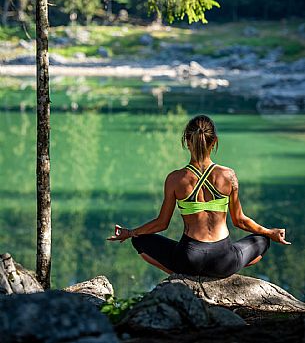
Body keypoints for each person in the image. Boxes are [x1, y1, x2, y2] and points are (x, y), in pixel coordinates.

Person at [107, 114, 291, 277]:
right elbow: (240, 221)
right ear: (214, 142)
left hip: (188, 258)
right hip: (224, 260)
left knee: (140, 239)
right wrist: (270, 232)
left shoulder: (175, 179)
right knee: (262, 240)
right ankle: (227, 272)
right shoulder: (229, 176)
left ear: (187, 142)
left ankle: (180, 274)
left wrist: (130, 233)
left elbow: (161, 224)